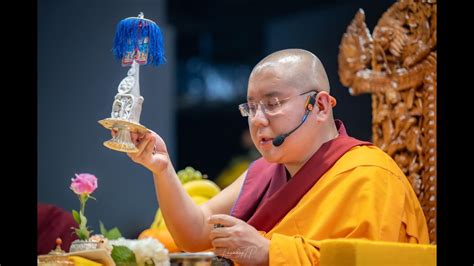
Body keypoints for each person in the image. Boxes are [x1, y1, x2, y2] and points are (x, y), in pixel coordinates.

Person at [120, 49, 429, 265]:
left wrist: (269, 252)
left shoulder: (370, 175)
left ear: (320, 106)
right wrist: (162, 169)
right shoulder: (264, 172)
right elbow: (197, 231)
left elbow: (368, 261)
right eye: (251, 107)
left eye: (272, 104)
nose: (257, 120)